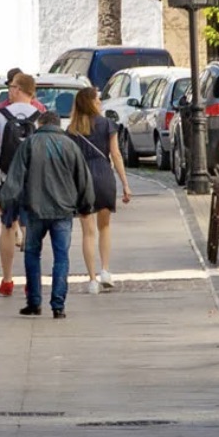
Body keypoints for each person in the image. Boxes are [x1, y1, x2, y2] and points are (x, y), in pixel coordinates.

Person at [0, 107, 94, 317]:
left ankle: (34, 302)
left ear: (40, 124)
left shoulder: (29, 144)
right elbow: (83, 178)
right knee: (61, 257)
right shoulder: (70, 146)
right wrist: (85, 206)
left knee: (32, 254)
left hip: (34, 210)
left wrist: (5, 201)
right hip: (63, 210)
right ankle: (58, 305)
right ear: (58, 125)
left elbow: (15, 177)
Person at [72, 88, 131, 290]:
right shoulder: (107, 125)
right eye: (98, 99)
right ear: (91, 102)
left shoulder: (72, 129)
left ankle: (91, 280)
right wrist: (125, 183)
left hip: (82, 179)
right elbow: (116, 155)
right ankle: (105, 270)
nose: (100, 102)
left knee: (87, 232)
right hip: (104, 175)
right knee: (104, 227)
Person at [0, 73, 43, 298]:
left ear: (19, 89)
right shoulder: (41, 116)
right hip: (32, 180)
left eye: (11, 87)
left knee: (7, 227)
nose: (9, 91)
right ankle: (31, 280)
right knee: (30, 228)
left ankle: (7, 279)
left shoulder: (0, 116)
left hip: (6, 179)